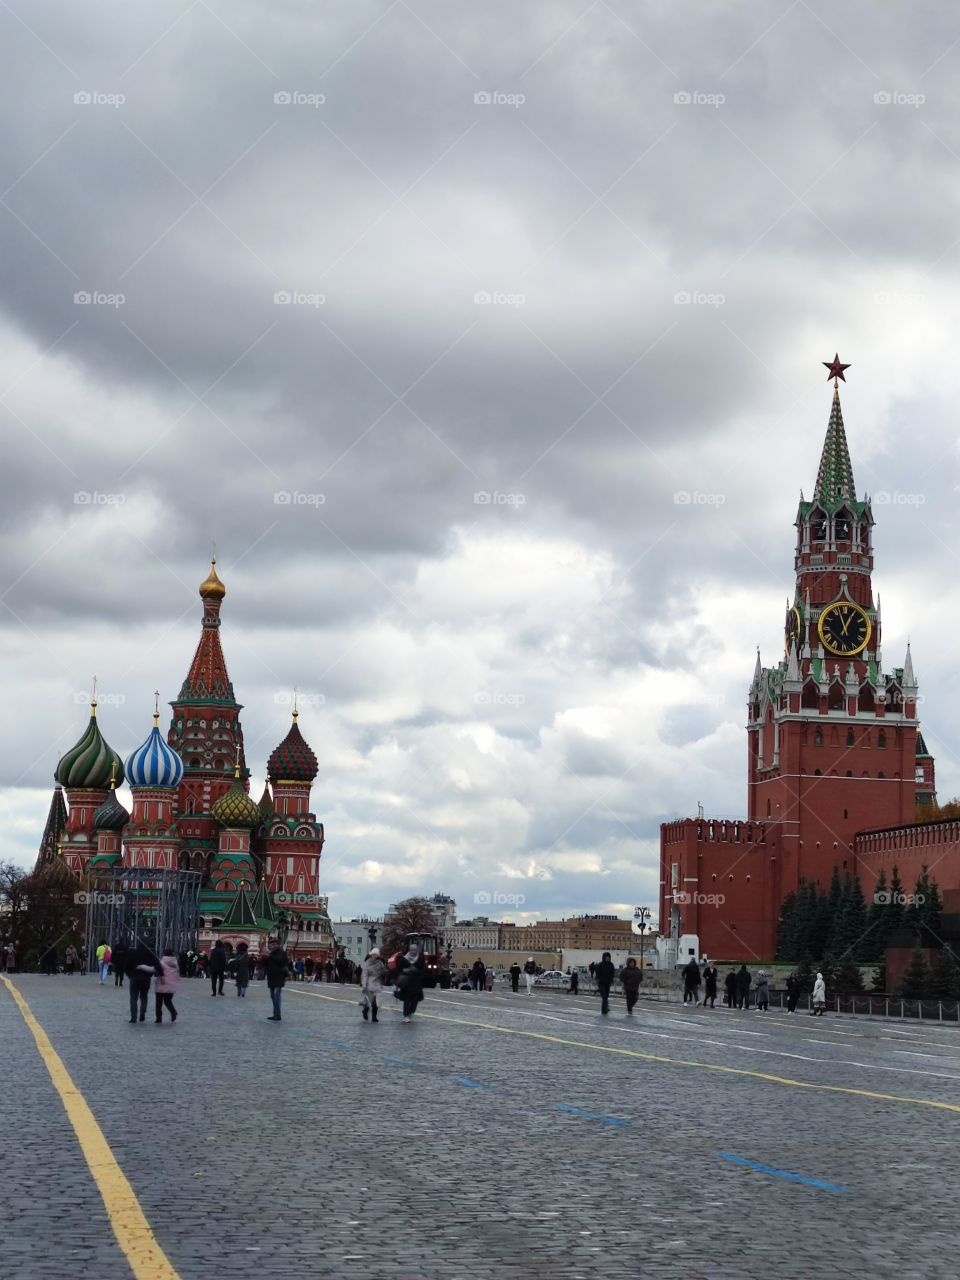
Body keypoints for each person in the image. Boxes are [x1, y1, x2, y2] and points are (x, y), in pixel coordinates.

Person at [125, 941, 158, 1023]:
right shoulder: (149, 954)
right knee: (144, 996)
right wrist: (150, 975)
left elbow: (127, 965)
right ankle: (142, 1013)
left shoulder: (133, 953)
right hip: (146, 978)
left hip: (134, 977)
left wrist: (130, 975)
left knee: (133, 998)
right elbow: (155, 965)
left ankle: (133, 1017)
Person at [394, 943, 426, 1023]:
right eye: (411, 950)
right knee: (407, 1000)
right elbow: (398, 969)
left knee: (415, 1001)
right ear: (409, 950)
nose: (413, 952)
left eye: (414, 950)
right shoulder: (404, 959)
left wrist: (417, 971)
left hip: (416, 983)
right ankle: (406, 1015)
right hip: (406, 983)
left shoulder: (420, 959)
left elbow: (423, 970)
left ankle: (411, 1012)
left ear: (417, 951)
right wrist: (405, 971)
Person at [265, 940, 291, 1021]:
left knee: (276, 997)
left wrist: (269, 956)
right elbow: (267, 965)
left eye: (274, 944)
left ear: (278, 945)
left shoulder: (282, 953)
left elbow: (282, 961)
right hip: (271, 978)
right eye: (271, 944)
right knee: (273, 997)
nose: (272, 946)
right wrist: (263, 959)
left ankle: (277, 1015)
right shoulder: (271, 954)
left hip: (279, 977)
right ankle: (275, 1014)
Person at [360, 947, 387, 1023]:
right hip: (369, 984)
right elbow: (364, 975)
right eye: (373, 954)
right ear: (371, 955)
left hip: (377, 984)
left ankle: (374, 1017)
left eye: (376, 955)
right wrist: (364, 985)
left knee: (375, 1002)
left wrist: (384, 973)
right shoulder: (367, 963)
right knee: (368, 1002)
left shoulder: (380, 963)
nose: (374, 956)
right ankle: (365, 1011)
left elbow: (383, 972)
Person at [154, 948, 179, 1023]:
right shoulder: (175, 963)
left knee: (158, 1003)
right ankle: (173, 1012)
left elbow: (155, 970)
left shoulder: (161, 962)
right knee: (168, 1001)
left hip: (161, 985)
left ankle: (159, 1018)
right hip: (171, 986)